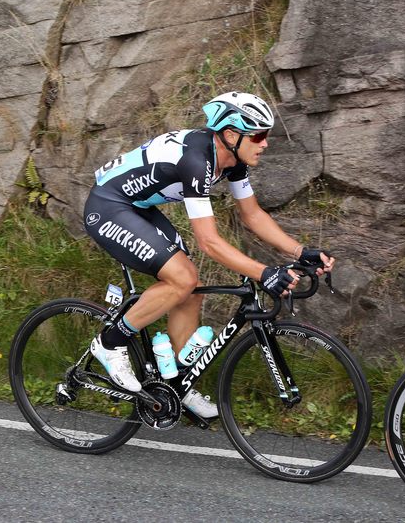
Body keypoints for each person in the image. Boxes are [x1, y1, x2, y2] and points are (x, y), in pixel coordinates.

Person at [82, 91, 334, 418]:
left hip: (138, 207)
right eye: (258, 135)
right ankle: (110, 342)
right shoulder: (196, 160)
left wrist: (301, 251)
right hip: (108, 207)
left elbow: (253, 215)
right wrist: (264, 273)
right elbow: (209, 243)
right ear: (230, 135)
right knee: (182, 279)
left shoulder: (232, 161)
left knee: (190, 291)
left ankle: (176, 385)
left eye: (266, 135)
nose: (265, 143)